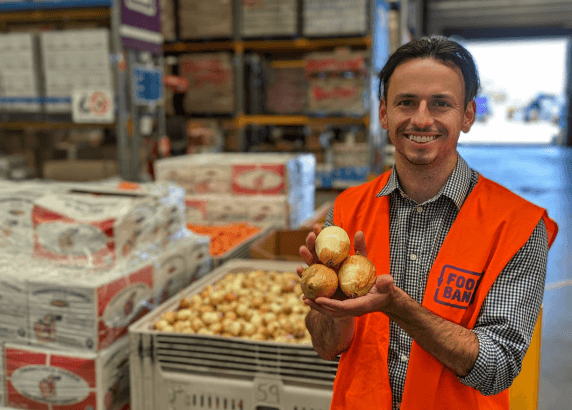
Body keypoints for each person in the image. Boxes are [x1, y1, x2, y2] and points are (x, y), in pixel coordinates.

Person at [297, 36, 558, 410]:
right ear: (384, 114)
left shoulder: (518, 227)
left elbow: (498, 367)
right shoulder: (347, 210)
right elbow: (326, 349)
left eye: (440, 104)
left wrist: (401, 309)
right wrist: (334, 312)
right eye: (406, 102)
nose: (421, 119)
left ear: (467, 115)